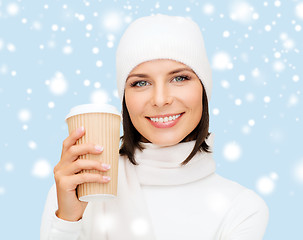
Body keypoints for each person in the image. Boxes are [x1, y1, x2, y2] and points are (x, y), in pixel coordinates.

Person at [40, 14, 269, 240]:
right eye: (141, 83)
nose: (160, 99)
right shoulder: (77, 190)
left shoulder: (242, 209)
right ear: (124, 99)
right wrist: (66, 222)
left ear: (204, 89)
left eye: (179, 78)